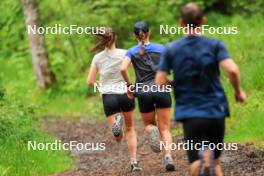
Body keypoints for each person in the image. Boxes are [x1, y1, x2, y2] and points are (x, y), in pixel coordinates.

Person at [155, 3, 246, 176]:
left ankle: (200, 163)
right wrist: (238, 92)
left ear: (181, 23)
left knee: (195, 162)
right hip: (215, 110)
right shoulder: (215, 45)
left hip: (190, 114)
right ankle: (210, 162)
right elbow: (232, 70)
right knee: (217, 162)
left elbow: (159, 81)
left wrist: (175, 83)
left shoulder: (171, 49)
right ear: (203, 20)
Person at [120, 22, 175, 171]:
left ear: (134, 35)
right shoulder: (162, 49)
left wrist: (129, 85)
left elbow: (123, 68)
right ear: (148, 32)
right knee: (165, 128)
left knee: (149, 124)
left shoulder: (131, 51)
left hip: (143, 91)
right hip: (162, 89)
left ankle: (151, 130)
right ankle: (168, 156)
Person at [87, 27, 142, 172]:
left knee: (118, 137)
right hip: (125, 94)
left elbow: (90, 81)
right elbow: (137, 70)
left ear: (101, 40)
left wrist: (100, 85)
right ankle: (134, 162)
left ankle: (117, 126)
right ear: (115, 38)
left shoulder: (97, 58)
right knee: (130, 129)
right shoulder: (125, 53)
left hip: (108, 96)